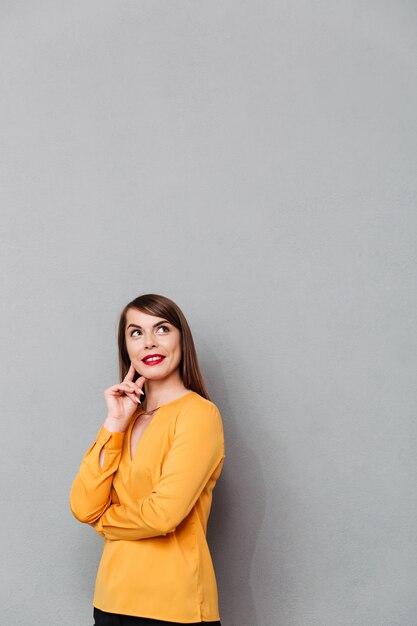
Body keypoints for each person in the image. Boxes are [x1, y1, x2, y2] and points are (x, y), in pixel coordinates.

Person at [69, 293, 226, 626]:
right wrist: (114, 423)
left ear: (182, 340)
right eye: (136, 333)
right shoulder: (126, 421)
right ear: (127, 348)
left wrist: (104, 523)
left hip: (173, 607)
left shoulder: (199, 415)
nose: (149, 343)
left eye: (162, 329)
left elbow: (162, 515)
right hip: (110, 601)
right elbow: (84, 506)